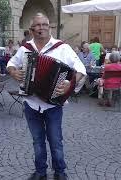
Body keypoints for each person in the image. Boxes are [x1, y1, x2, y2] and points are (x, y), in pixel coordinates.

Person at [7, 13, 86, 180]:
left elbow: (80, 69)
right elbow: (10, 64)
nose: (41, 27)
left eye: (45, 24)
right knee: (37, 141)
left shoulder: (62, 48)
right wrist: (14, 72)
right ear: (32, 29)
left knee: (56, 141)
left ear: (49, 27)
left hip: (53, 105)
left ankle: (60, 172)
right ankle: (40, 172)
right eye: (38, 25)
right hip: (31, 103)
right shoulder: (25, 49)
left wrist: (70, 82)